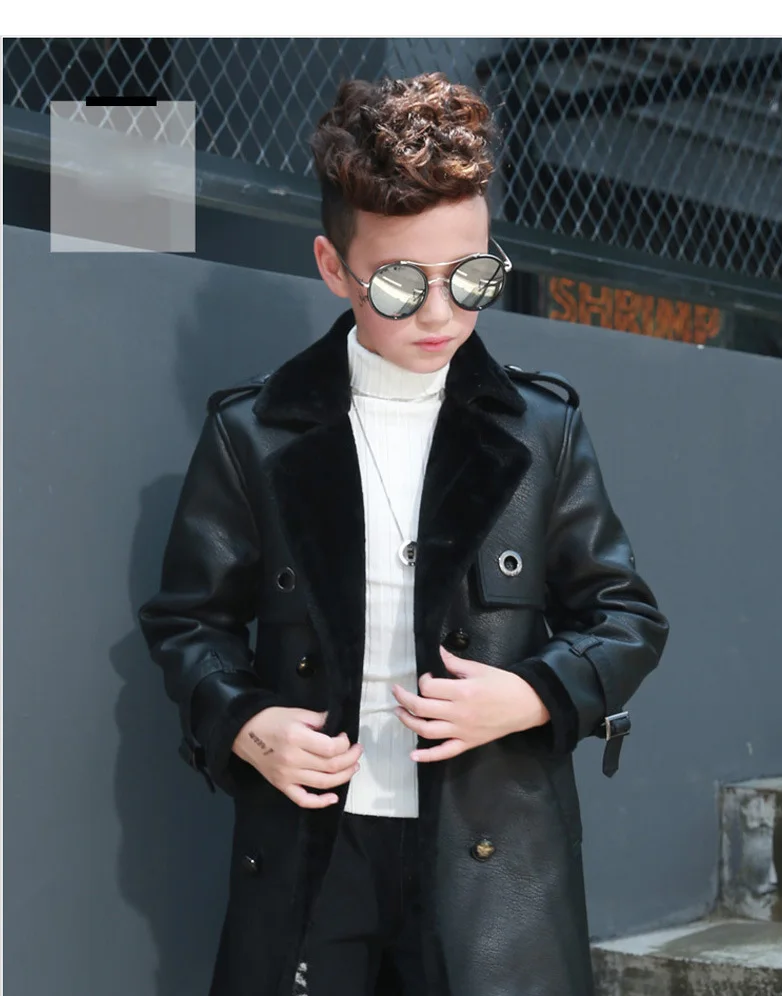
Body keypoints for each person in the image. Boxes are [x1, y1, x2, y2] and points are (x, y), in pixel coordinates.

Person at [138, 71, 669, 996]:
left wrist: (532, 693)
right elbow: (189, 623)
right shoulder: (253, 434)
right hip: (311, 854)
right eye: (397, 283)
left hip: (493, 856)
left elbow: (626, 618)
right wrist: (246, 722)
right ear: (332, 267)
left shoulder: (541, 431)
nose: (439, 313)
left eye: (471, 277)